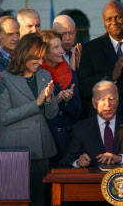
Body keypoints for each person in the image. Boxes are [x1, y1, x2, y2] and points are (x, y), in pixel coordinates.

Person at [0, 33, 58, 205]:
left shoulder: (44, 75)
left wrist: (48, 100)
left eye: (41, 58)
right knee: (15, 200)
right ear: (24, 54)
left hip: (41, 150)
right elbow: (5, 116)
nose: (39, 62)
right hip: (15, 150)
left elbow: (52, 114)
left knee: (40, 200)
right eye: (36, 58)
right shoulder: (4, 78)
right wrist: (37, 103)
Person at [78, 0, 123, 118]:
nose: (114, 22)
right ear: (104, 22)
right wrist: (111, 76)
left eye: (117, 17)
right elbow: (84, 88)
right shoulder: (90, 49)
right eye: (109, 19)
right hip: (106, 119)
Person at [61, 80, 123, 167]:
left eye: (111, 98)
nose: (108, 104)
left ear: (117, 102)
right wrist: (78, 162)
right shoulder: (81, 128)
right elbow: (65, 162)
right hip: (93, 183)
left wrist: (120, 158)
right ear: (94, 103)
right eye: (102, 99)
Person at [40, 30, 82, 167]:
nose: (62, 51)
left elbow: (78, 111)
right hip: (45, 138)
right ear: (44, 52)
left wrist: (68, 100)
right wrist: (57, 99)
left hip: (67, 139)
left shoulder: (70, 73)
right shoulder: (37, 75)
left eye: (61, 46)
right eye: (56, 47)